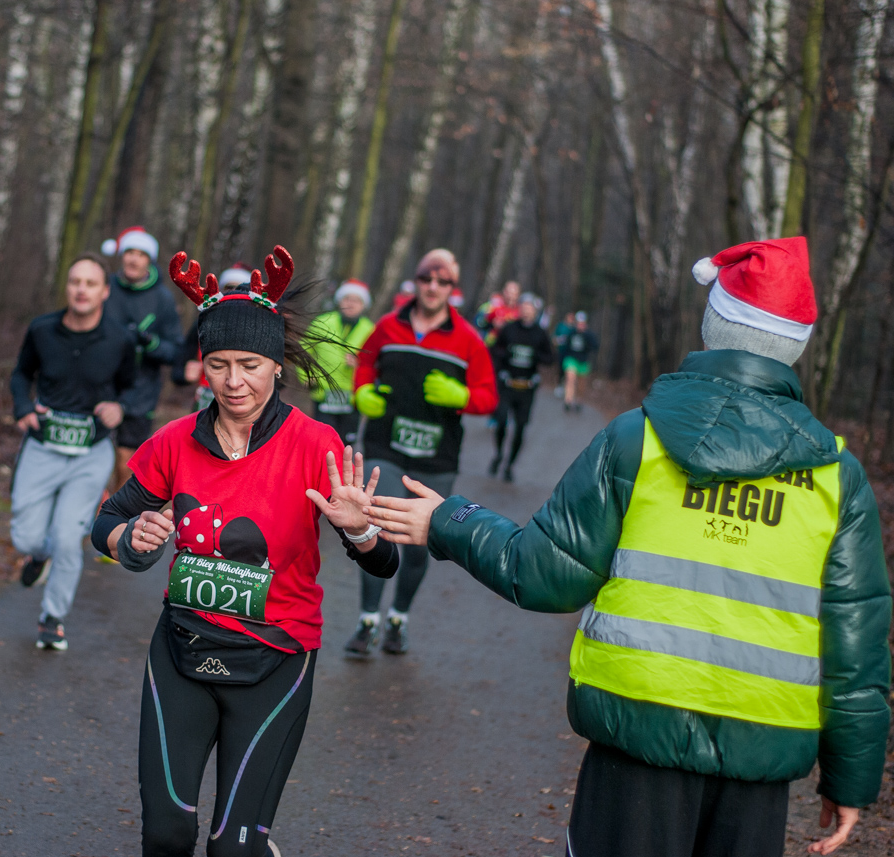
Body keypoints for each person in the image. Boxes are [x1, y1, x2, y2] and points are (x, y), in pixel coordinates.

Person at [366, 237, 890, 857]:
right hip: (763, 753)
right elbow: (856, 648)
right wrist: (850, 778)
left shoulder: (636, 440)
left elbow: (544, 573)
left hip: (633, 737)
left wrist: (449, 520)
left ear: (713, 324)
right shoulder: (837, 476)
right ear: (796, 345)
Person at [91, 246, 398, 857]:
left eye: (251, 365)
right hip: (183, 651)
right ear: (202, 368)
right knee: (166, 835)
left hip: (276, 660)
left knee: (232, 849)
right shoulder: (174, 442)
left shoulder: (316, 444)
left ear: (277, 366)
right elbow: (108, 520)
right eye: (219, 365)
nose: (235, 382)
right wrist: (130, 542)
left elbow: (383, 562)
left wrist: (360, 530)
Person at [346, 248, 498, 655]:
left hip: (436, 457)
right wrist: (362, 392)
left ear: (452, 287)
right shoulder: (387, 326)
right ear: (416, 281)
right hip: (385, 445)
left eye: (442, 281)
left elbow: (489, 396)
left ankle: (398, 619)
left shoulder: (468, 339)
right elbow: (364, 363)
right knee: (376, 529)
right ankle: (367, 621)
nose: (432, 287)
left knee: (416, 542)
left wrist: (462, 397)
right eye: (426, 278)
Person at [9, 254, 138, 650]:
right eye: (75, 282)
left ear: (104, 291)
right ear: (67, 288)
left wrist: (119, 407)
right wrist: (23, 407)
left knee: (69, 537)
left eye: (90, 283)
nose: (81, 289)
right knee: (26, 536)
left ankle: (53, 619)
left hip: (90, 453)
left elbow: (132, 386)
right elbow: (21, 374)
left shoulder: (119, 339)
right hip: (42, 447)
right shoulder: (42, 330)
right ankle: (38, 555)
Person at [101, 226, 184, 490]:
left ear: (149, 260)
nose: (133, 259)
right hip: (101, 385)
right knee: (94, 458)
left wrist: (149, 342)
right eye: (129, 253)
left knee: (125, 462)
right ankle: (92, 507)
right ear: (121, 255)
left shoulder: (162, 299)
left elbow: (175, 352)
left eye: (141, 254)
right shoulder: (104, 287)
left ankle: (115, 509)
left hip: (141, 393)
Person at [489, 292, 554, 482]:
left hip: (526, 388)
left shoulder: (540, 333)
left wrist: (536, 356)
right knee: (501, 421)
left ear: (535, 311)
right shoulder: (509, 329)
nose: (526, 310)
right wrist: (502, 363)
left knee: (520, 429)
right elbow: (495, 350)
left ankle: (509, 465)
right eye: (523, 306)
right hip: (507, 385)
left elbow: (550, 358)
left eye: (530, 307)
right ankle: (498, 454)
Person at [302, 279, 376, 445]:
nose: (351, 304)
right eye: (347, 299)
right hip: (323, 392)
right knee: (320, 442)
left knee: (345, 445)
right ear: (339, 301)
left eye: (356, 300)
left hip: (352, 397)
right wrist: (306, 375)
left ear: (363, 305)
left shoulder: (371, 330)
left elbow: (375, 363)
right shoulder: (322, 322)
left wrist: (359, 364)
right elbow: (303, 350)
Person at [173, 265, 251, 413]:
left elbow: (278, 376)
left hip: (243, 400)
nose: (234, 293)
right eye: (229, 288)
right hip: (206, 398)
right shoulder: (203, 322)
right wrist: (185, 374)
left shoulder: (258, 328)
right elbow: (178, 367)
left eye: (240, 289)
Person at [562, 311, 599, 411]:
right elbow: (565, 345)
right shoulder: (572, 332)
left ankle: (579, 400)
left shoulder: (589, 334)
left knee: (581, 384)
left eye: (582, 323)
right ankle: (568, 400)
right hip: (571, 359)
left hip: (583, 362)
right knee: (570, 378)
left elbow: (595, 346)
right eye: (578, 323)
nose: (580, 325)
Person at [475, 279, 522, 346]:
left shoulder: (520, 311)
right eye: (508, 293)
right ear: (503, 291)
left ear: (518, 295)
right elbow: (478, 322)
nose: (510, 296)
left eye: (514, 294)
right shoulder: (492, 305)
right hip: (489, 344)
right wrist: (491, 323)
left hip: (509, 345)